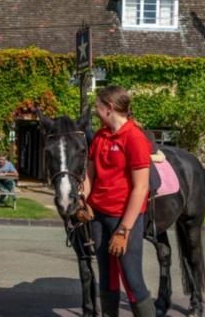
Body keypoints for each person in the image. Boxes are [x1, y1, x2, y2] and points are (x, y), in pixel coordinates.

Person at [79, 85, 156, 316]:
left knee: (132, 280)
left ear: (109, 108)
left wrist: (124, 231)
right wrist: (82, 200)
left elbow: (141, 188)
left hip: (123, 219)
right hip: (98, 216)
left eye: (98, 106)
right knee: (107, 278)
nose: (95, 110)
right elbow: (89, 176)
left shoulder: (134, 138)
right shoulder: (100, 136)